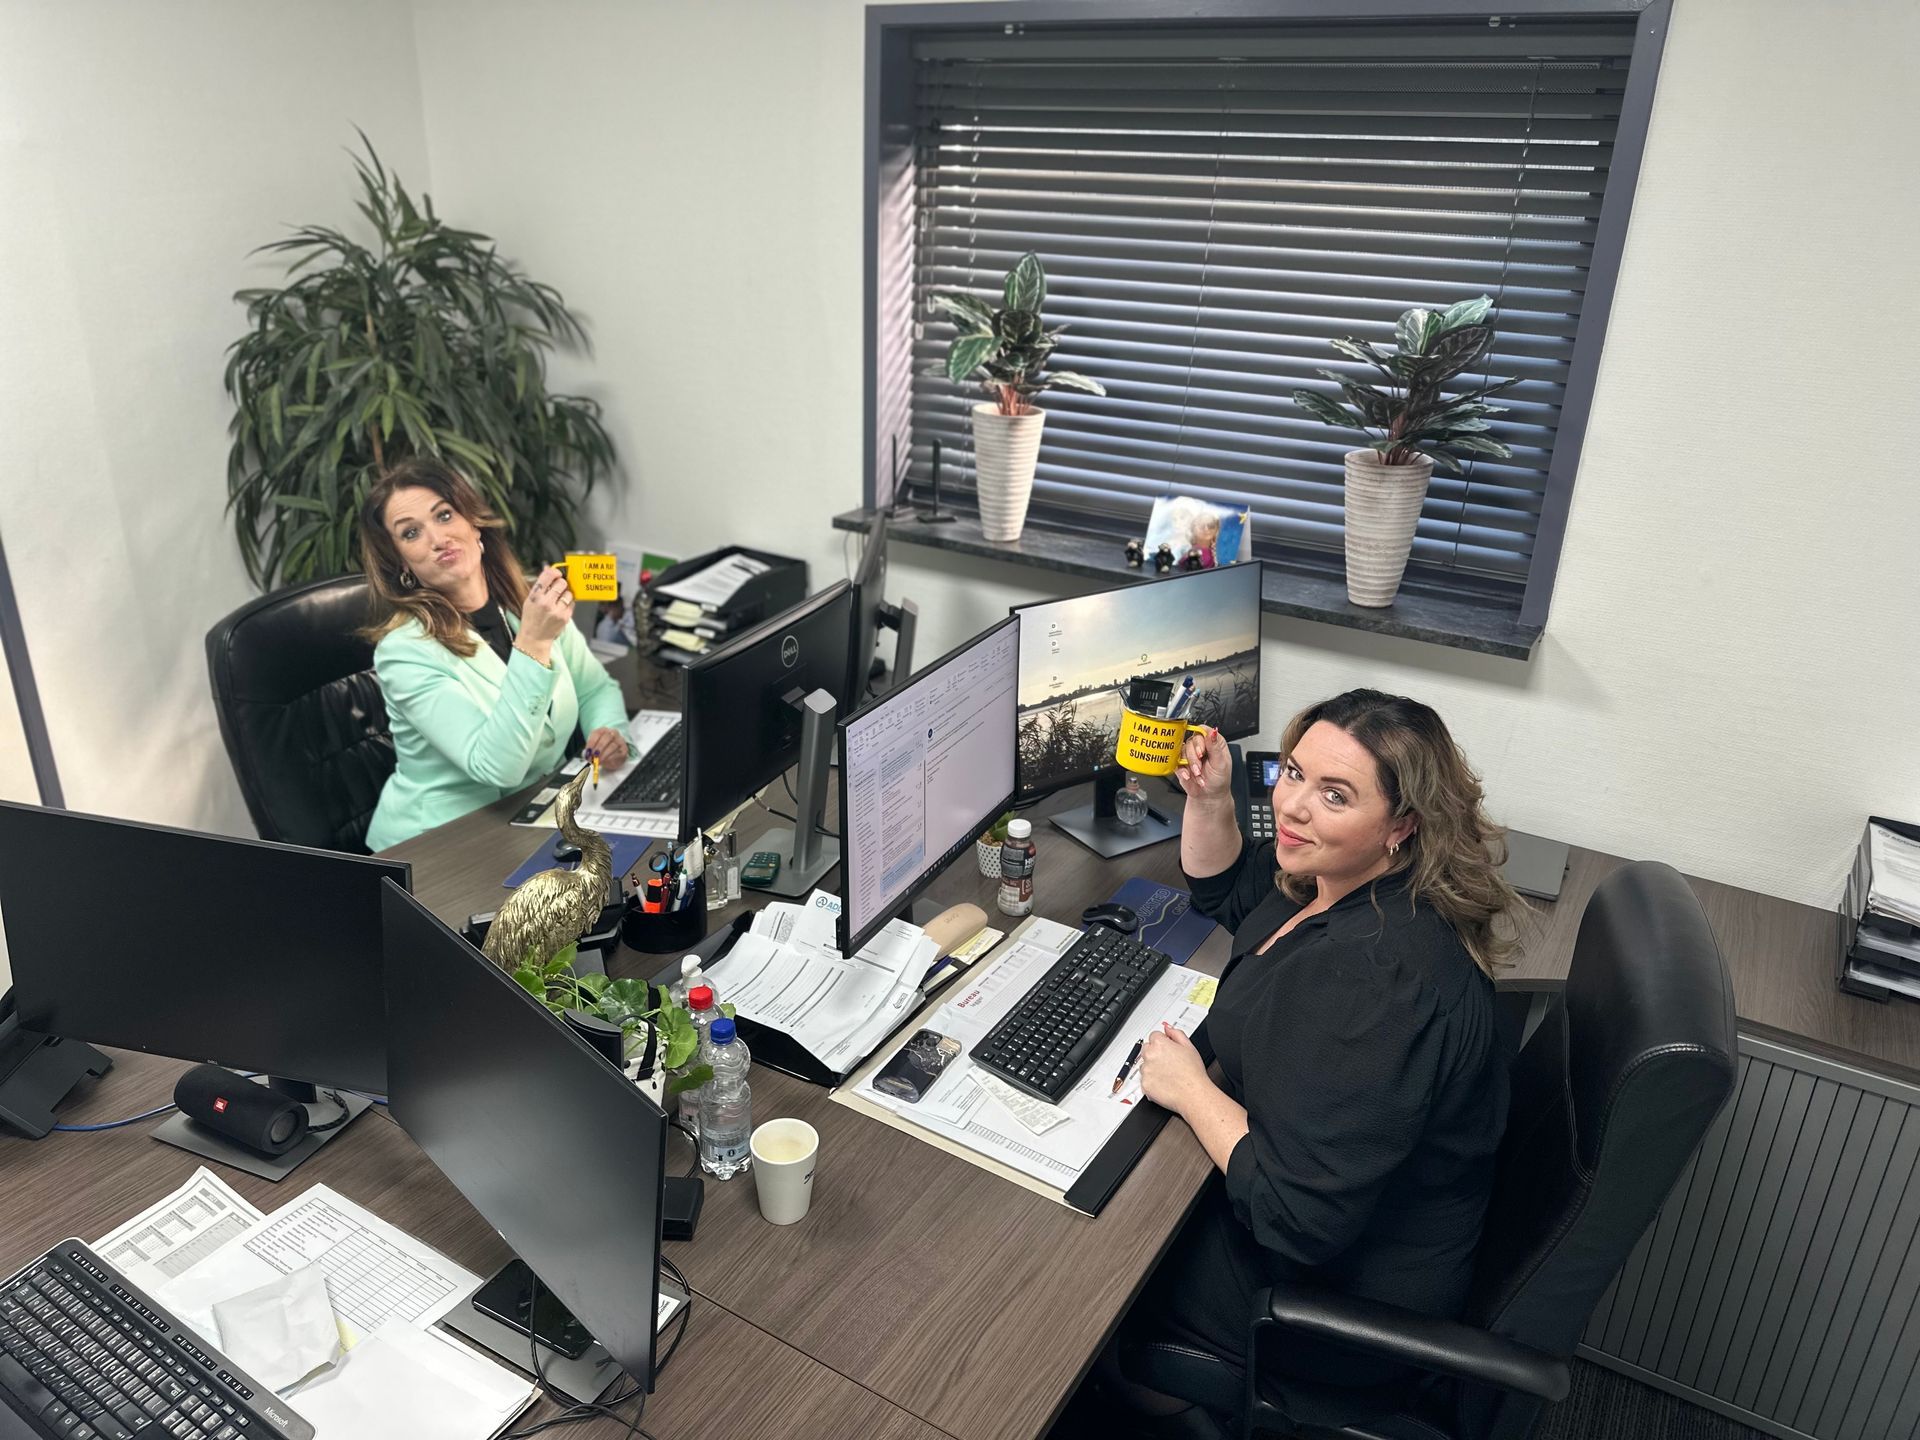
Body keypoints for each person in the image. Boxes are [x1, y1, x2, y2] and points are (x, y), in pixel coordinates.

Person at [1122, 689, 1520, 1427]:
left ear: (1402, 824)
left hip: (1327, 1300)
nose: (1294, 806)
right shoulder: (1355, 886)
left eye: (1334, 795)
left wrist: (1191, 1090)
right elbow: (1235, 897)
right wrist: (1211, 800)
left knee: (1102, 1256)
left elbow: (1294, 1214)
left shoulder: (1375, 979)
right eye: (1294, 774)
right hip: (1354, 1220)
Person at [358, 457, 631, 851]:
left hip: (532, 816)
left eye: (445, 515)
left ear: (474, 524)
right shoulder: (403, 653)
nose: (438, 538)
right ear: (401, 562)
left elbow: (594, 689)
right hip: (438, 847)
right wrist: (534, 645)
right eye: (412, 532)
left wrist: (609, 734)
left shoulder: (528, 604)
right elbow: (495, 766)